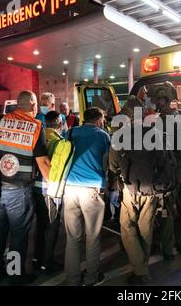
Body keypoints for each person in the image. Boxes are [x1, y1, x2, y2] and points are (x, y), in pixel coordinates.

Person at [0, 90, 50, 285]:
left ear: (18, 105)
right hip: (19, 191)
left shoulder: (0, 120)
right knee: (19, 234)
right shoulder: (36, 126)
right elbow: (43, 163)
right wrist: (55, 184)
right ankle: (15, 275)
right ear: (34, 106)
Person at [108, 99, 176, 285]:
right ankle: (142, 266)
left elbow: (113, 165)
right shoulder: (158, 134)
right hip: (153, 189)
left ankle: (140, 269)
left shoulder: (120, 135)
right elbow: (169, 161)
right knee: (146, 227)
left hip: (130, 188)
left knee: (127, 227)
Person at [146, 82, 181, 259]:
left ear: (163, 99)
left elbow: (160, 149)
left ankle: (168, 250)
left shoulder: (163, 119)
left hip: (173, 170)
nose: (155, 102)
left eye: (157, 99)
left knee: (167, 210)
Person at [63, 107, 110, 286]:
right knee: (92, 235)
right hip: (92, 189)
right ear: (98, 119)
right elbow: (107, 162)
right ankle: (91, 278)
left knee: (72, 237)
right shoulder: (103, 135)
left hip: (69, 188)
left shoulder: (71, 132)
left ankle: (72, 279)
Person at [32, 111, 65, 274]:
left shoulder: (39, 136)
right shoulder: (59, 141)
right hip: (50, 189)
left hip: (35, 187)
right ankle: (47, 262)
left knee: (40, 224)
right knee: (52, 226)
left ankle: (37, 258)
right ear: (59, 121)